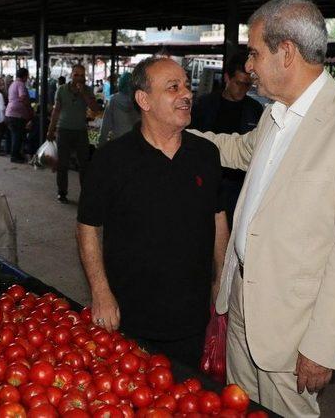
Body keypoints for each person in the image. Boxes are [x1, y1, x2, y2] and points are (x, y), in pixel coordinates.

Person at [188, 0, 335, 417]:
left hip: (294, 320)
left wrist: (322, 347)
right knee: (239, 406)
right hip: (243, 298)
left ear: (286, 53)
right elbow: (237, 150)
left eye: (254, 53)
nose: (249, 66)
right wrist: (178, 133)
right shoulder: (274, 115)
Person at [77, 56, 228, 372]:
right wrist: (100, 290)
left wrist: (221, 282)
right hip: (130, 317)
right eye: (173, 87)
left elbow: (218, 218)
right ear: (143, 100)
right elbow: (88, 226)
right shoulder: (110, 161)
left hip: (192, 317)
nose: (186, 94)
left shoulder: (206, 155)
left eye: (186, 85)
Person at [191, 53, 264, 227]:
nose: (243, 89)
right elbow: (192, 141)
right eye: (239, 83)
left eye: (247, 85)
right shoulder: (204, 105)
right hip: (208, 181)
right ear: (227, 78)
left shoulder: (255, 109)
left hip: (239, 186)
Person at [47, 65, 101, 203]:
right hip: (64, 130)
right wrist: (51, 129)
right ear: (71, 75)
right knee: (62, 164)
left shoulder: (88, 90)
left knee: (84, 164)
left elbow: (95, 109)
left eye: (82, 75)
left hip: (81, 131)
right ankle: (62, 192)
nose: (79, 78)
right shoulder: (62, 89)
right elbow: (56, 111)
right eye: (77, 75)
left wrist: (84, 94)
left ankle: (85, 193)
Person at [98, 72, 140, 147]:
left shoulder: (113, 100)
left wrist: (101, 143)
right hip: (134, 142)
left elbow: (106, 125)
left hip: (117, 141)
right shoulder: (138, 101)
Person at [5, 68, 33, 163]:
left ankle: (15, 153)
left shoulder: (12, 84)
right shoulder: (20, 84)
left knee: (15, 135)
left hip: (10, 113)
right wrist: (29, 109)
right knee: (17, 136)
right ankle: (14, 156)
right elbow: (22, 97)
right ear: (24, 76)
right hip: (17, 114)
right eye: (27, 75)